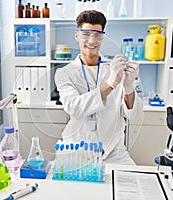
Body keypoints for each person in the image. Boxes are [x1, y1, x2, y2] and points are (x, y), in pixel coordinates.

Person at [54, 10, 143, 165]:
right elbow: (74, 107)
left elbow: (132, 115)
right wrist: (111, 83)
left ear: (102, 37)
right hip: (77, 148)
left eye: (97, 35)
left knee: (133, 182)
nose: (92, 40)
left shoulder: (115, 68)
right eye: (86, 34)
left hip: (113, 151)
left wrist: (128, 86)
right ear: (77, 36)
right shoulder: (64, 73)